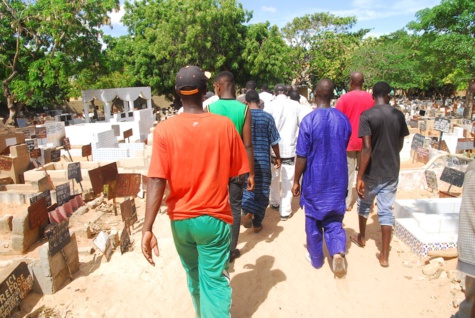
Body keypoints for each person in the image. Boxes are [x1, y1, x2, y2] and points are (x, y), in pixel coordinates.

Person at [142, 65, 250, 318]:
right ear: (205, 92)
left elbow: (156, 179)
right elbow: (237, 171)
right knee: (214, 280)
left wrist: (147, 228)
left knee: (194, 276)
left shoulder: (164, 130)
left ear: (178, 92)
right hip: (213, 218)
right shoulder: (224, 127)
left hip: (180, 221)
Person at [292, 79, 351, 277]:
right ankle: (336, 252)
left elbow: (302, 155)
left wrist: (296, 180)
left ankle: (316, 259)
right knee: (334, 220)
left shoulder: (309, 121)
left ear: (315, 95)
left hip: (315, 180)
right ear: (332, 95)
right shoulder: (343, 120)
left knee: (313, 222)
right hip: (337, 179)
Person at [350, 81, 409, 267]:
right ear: (389, 96)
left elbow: (366, 148)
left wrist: (359, 176)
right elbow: (399, 145)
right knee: (385, 210)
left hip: (372, 170)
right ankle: (384, 255)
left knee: (365, 203)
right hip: (392, 168)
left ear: (372, 95)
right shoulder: (398, 115)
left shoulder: (367, 115)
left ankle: (361, 237)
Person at [208, 71, 255, 262]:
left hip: (216, 168)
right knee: (235, 208)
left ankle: (218, 247)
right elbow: (248, 144)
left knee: (217, 207)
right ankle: (230, 250)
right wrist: (251, 173)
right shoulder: (244, 110)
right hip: (237, 168)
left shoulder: (210, 110)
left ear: (219, 86)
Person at [241, 90, 281, 233]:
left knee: (248, 187)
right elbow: (275, 141)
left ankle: (248, 210)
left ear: (246, 102)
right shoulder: (267, 117)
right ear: (259, 102)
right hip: (264, 160)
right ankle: (257, 223)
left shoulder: (243, 116)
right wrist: (278, 157)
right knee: (263, 191)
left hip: (246, 161)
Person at [336, 72, 374, 211]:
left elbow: (338, 120)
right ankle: (367, 202)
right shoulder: (371, 98)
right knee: (366, 173)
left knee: (348, 174)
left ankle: (347, 203)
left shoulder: (344, 99)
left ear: (351, 82)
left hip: (349, 142)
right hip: (367, 143)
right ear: (363, 82)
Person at [264, 83, 302, 221]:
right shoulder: (295, 105)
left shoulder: (269, 105)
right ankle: (285, 211)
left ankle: (274, 202)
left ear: (274, 92)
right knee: (288, 179)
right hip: (290, 148)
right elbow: (301, 124)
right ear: (286, 92)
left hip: (273, 149)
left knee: (274, 176)